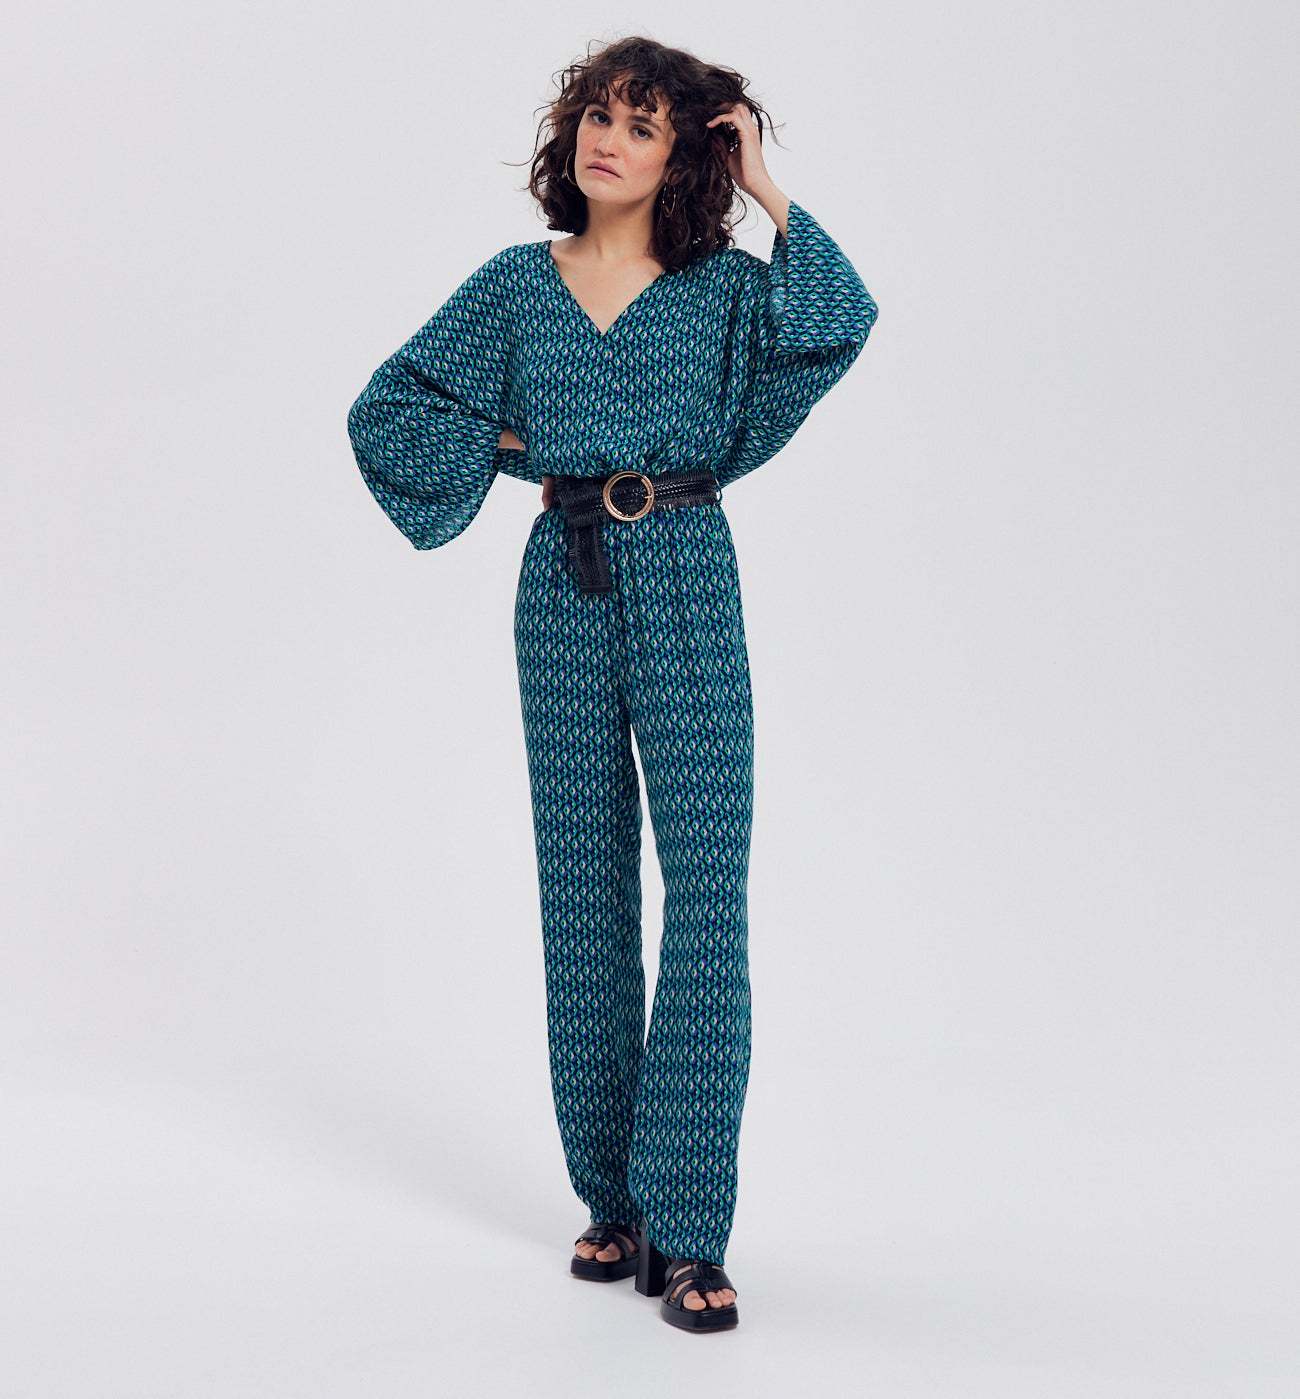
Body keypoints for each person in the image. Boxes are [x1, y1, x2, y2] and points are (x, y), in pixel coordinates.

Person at [346, 34, 879, 1333]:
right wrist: (514, 442)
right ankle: (614, 1201)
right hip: (565, 578)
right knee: (582, 887)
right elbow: (390, 408)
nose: (608, 139)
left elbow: (835, 323)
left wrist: (767, 187)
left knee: (706, 892)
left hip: (688, 568)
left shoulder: (725, 292)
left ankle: (690, 1229)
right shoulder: (514, 287)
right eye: (596, 114)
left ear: (684, 152)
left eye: (644, 124)